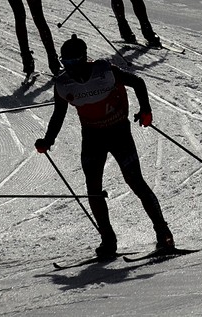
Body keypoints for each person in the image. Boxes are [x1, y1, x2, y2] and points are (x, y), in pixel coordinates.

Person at [34, 35, 174, 258]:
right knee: (93, 190)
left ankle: (163, 233)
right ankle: (108, 240)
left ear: (84, 58)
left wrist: (146, 110)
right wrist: (48, 140)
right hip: (92, 137)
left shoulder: (104, 70)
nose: (70, 68)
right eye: (65, 63)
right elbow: (58, 114)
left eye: (74, 62)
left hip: (118, 132)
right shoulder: (63, 84)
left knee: (135, 182)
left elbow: (138, 82)